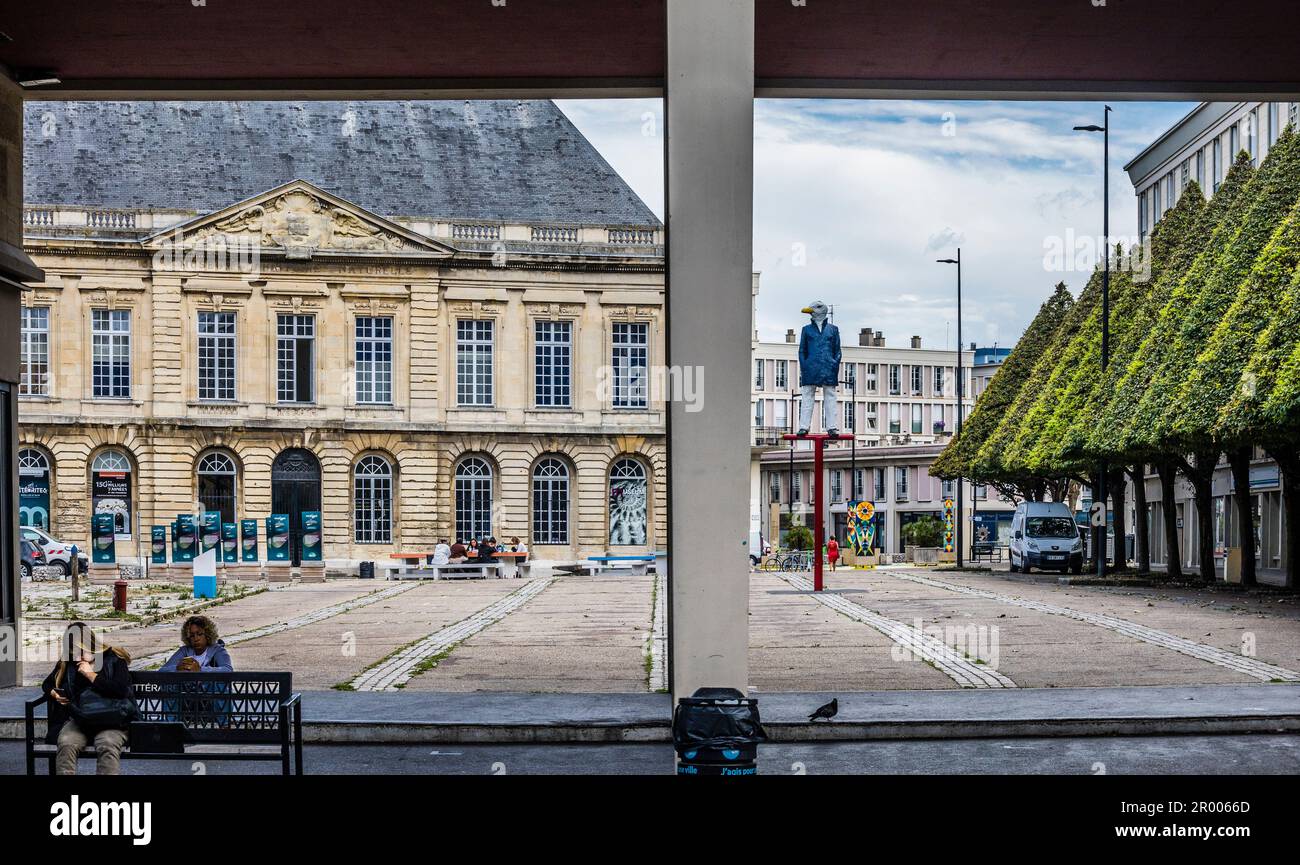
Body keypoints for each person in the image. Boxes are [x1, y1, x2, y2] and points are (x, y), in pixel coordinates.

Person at [42, 622, 133, 775]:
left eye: (81, 650)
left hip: (111, 719)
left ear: (91, 644)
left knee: (107, 744)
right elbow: (47, 684)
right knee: (66, 743)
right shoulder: (69, 663)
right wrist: (54, 693)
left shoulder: (114, 660)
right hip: (81, 719)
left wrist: (91, 675)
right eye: (73, 651)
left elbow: (120, 690)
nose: (78, 656)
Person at [159, 615, 234, 673]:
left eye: (200, 634)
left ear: (208, 635)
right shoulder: (184, 651)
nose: (196, 639)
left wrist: (200, 670)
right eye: (192, 636)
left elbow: (228, 670)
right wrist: (177, 668)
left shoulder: (218, 650)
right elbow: (162, 671)